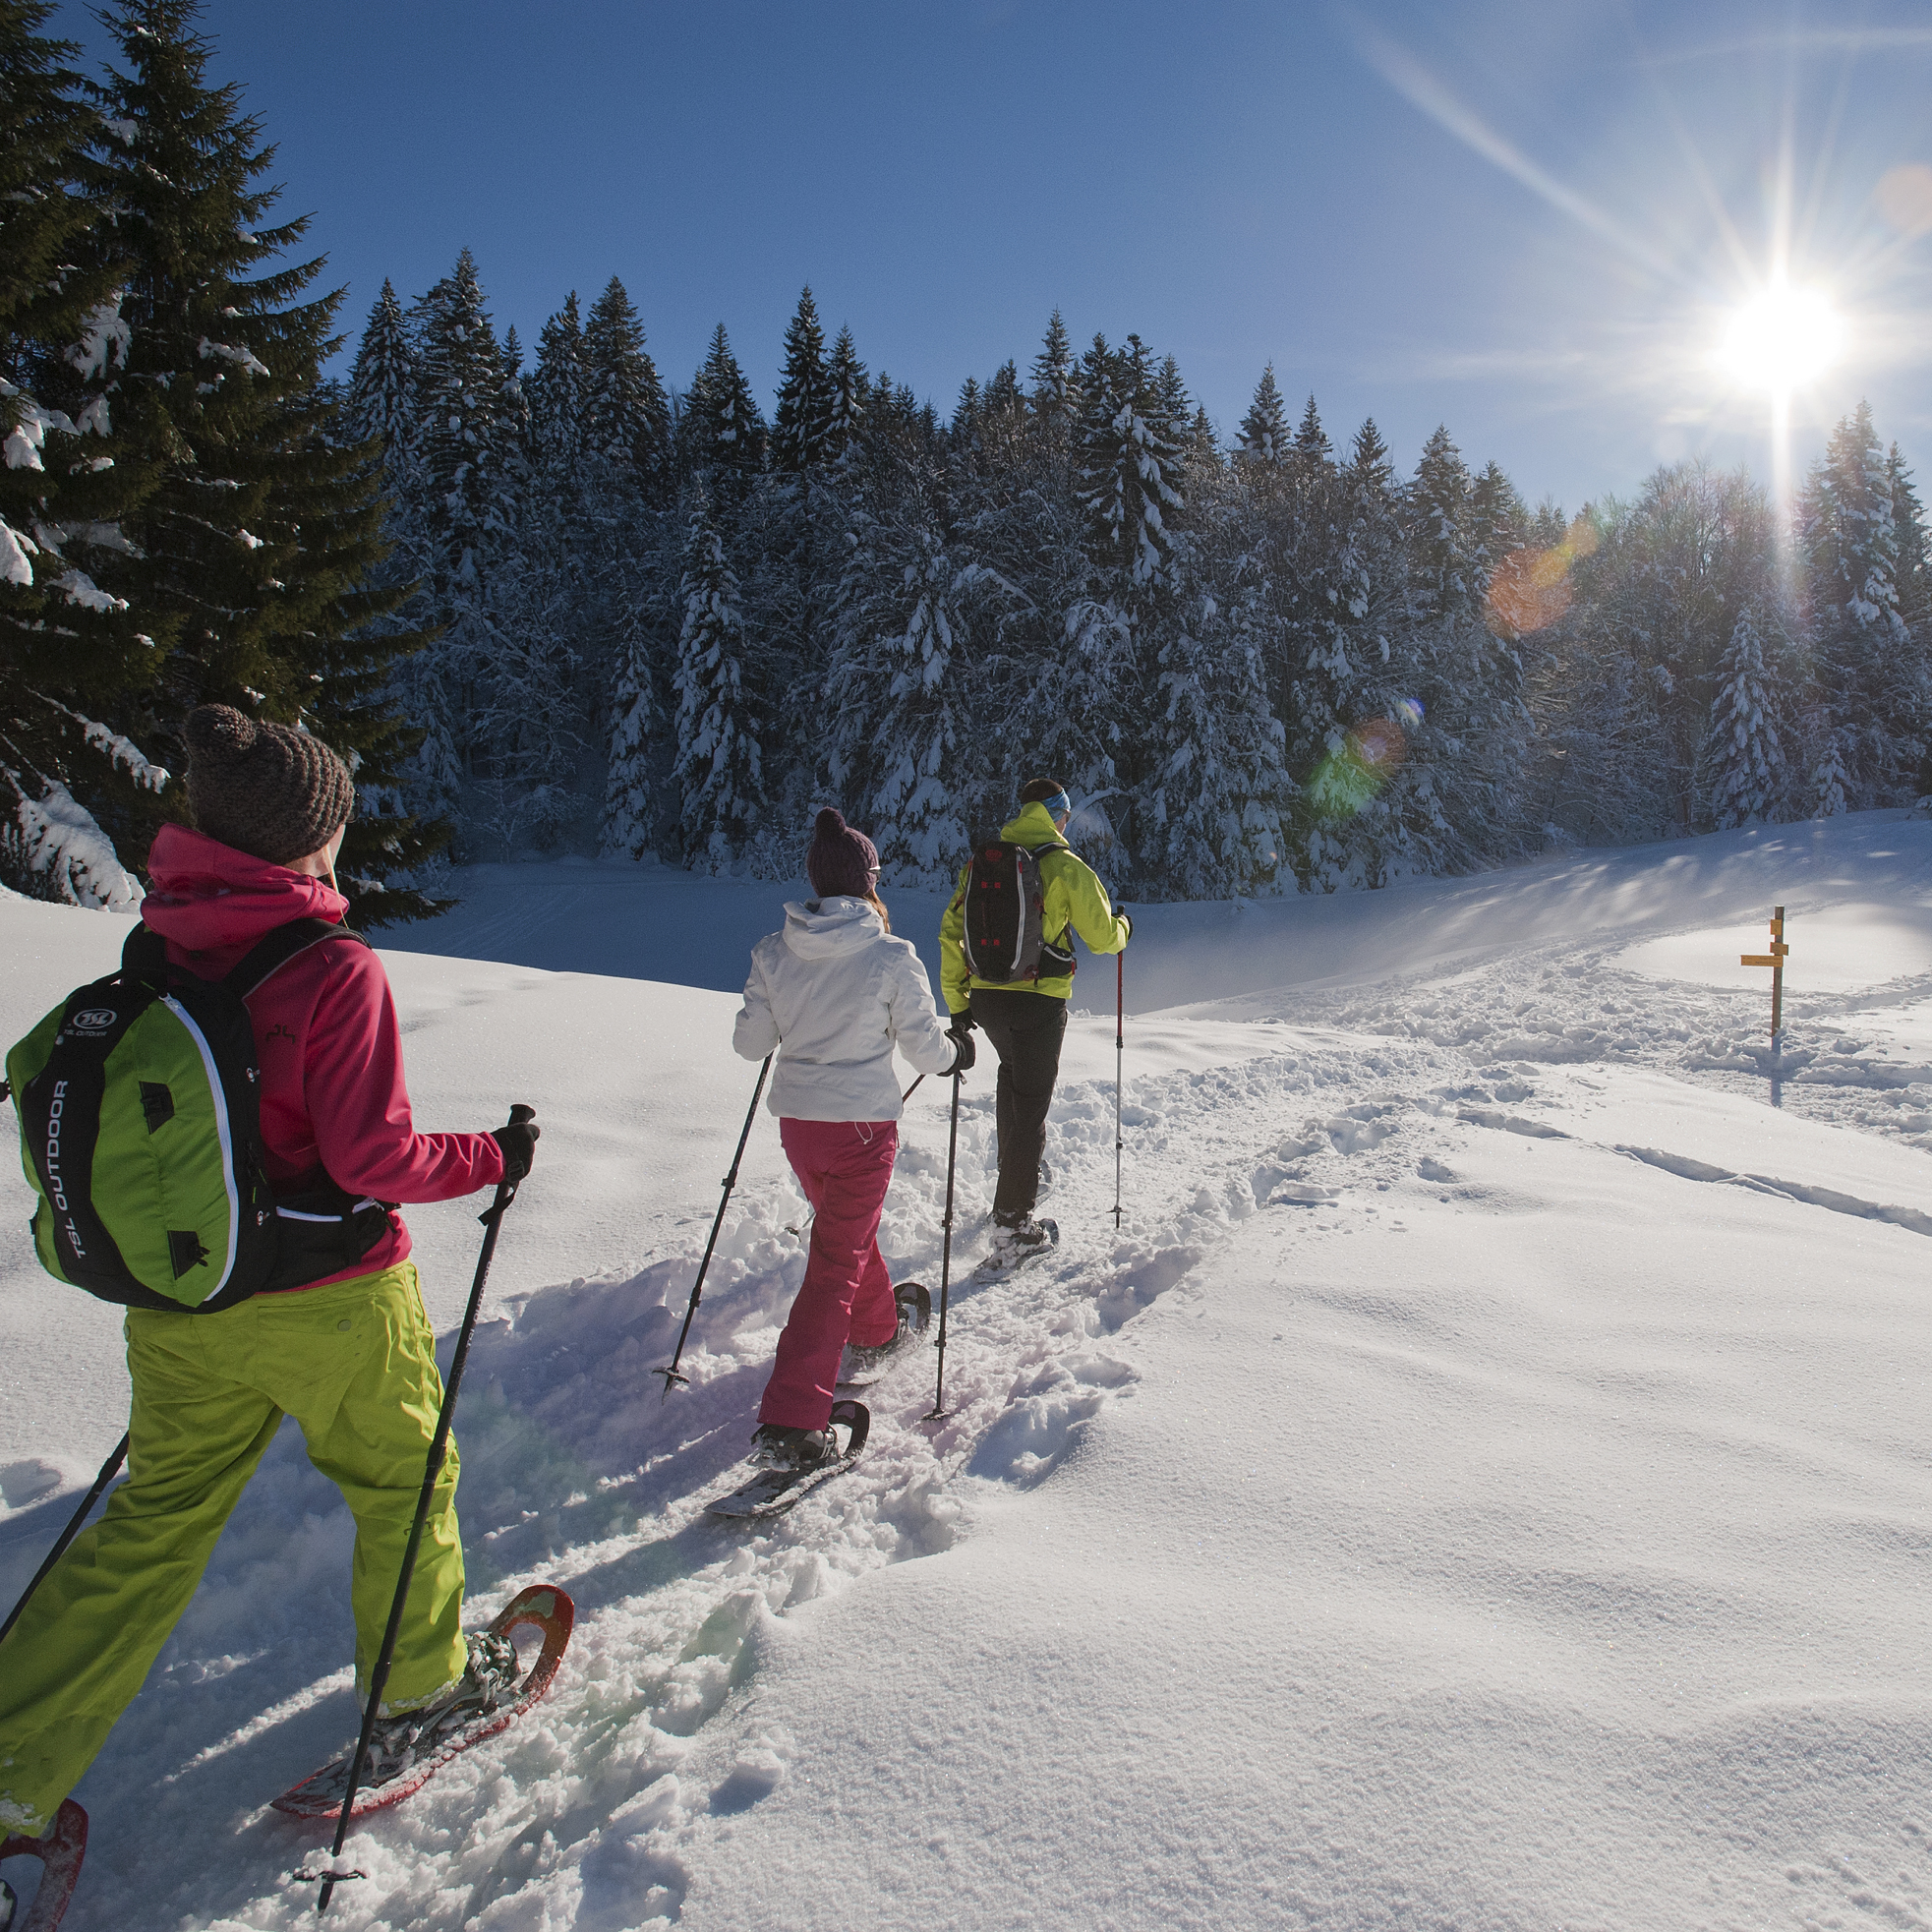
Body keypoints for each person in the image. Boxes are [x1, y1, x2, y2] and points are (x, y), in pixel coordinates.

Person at [0, 704, 540, 1841]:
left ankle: (9, 1770)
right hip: (334, 1303)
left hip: (184, 1304)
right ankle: (421, 1688)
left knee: (153, 1524)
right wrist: (495, 1155)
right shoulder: (332, 967)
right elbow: (372, 1158)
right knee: (404, 1484)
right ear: (306, 841)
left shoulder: (158, 944)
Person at [733, 807, 969, 1469]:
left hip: (799, 1128)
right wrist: (956, 1053)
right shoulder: (891, 955)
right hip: (862, 1128)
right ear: (868, 881)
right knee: (833, 1258)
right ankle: (792, 1419)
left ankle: (875, 1331)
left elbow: (748, 1043)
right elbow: (926, 1050)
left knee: (842, 1235)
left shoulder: (773, 951)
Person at [939, 778, 1130, 1249]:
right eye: (1064, 814)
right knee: (1030, 1107)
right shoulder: (1063, 865)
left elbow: (950, 931)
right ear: (1057, 815)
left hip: (986, 999)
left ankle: (1014, 1185)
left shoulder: (981, 864)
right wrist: (1124, 926)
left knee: (1012, 1078)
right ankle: (1013, 1223)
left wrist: (959, 1004)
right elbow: (1104, 938)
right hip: (1039, 999)